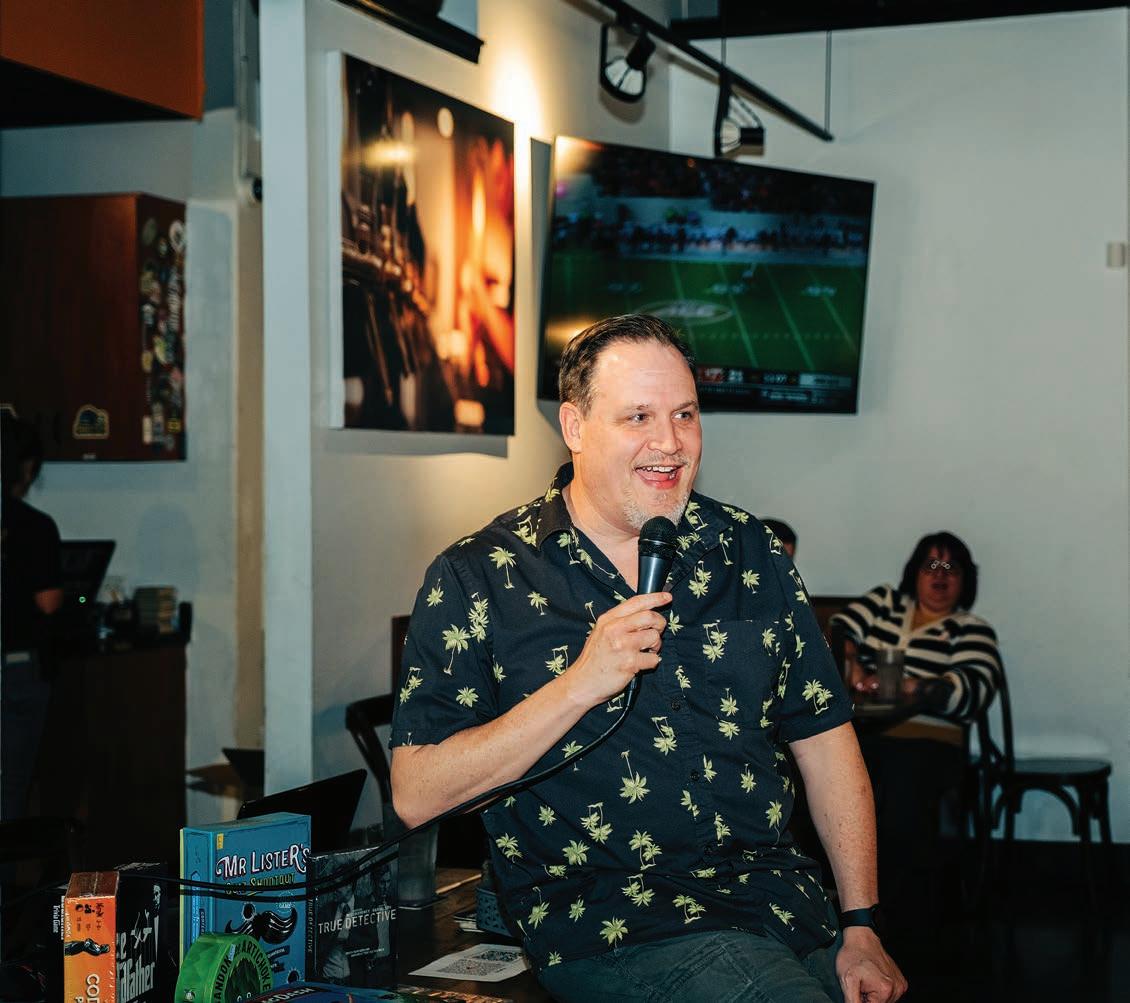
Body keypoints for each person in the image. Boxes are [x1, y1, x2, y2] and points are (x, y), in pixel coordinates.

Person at [391, 315, 906, 1003]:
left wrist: (862, 924)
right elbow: (417, 794)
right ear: (575, 426)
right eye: (638, 416)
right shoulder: (478, 576)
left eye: (684, 414)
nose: (670, 442)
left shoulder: (749, 550)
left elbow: (826, 741)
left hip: (785, 910)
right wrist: (579, 685)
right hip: (617, 925)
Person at [829, 533, 1001, 963]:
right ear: (914, 573)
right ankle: (841, 911)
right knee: (831, 776)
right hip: (869, 734)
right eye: (931, 566)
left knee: (903, 787)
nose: (940, 577)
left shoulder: (970, 628)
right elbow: (840, 627)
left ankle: (902, 926)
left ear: (965, 580)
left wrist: (914, 687)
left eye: (951, 568)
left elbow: (973, 691)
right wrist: (852, 665)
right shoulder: (887, 602)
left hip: (932, 741)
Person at [1, 412, 62, 819]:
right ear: (26, 468)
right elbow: (49, 602)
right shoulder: (34, 526)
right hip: (16, 667)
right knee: (9, 790)